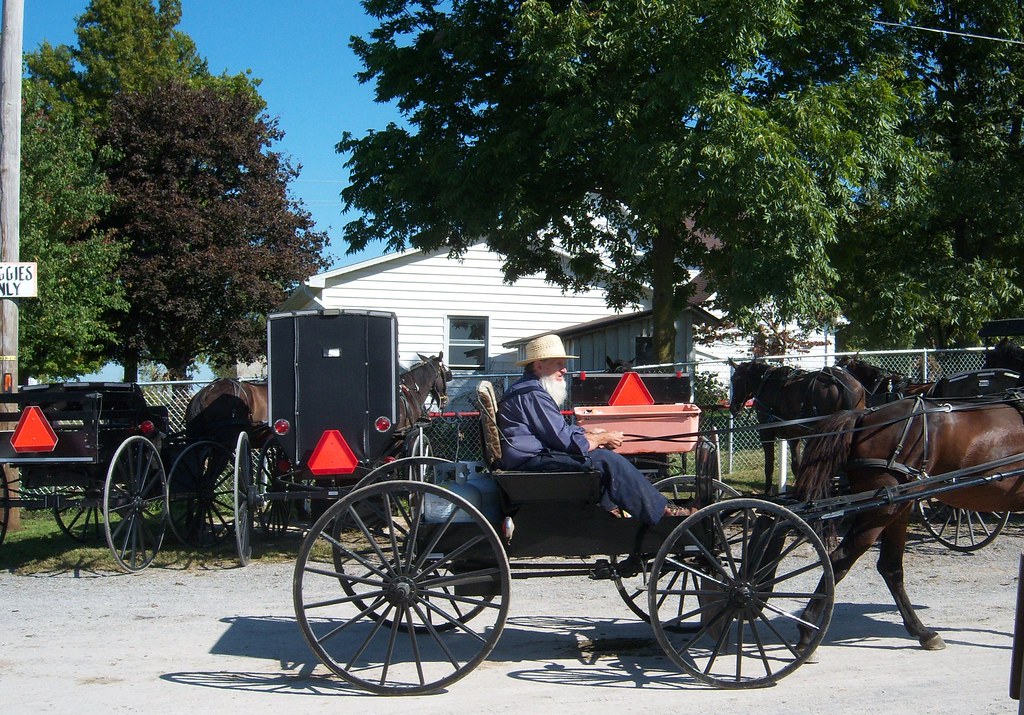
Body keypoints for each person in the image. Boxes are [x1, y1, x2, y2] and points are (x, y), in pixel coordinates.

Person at [497, 334, 694, 525]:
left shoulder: (529, 390)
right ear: (540, 365)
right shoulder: (532, 394)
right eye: (558, 363)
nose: (564, 369)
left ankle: (612, 509)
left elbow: (557, 431)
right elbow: (564, 440)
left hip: (532, 457)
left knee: (602, 456)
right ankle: (662, 513)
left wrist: (588, 434)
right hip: (530, 462)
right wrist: (599, 439)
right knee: (607, 460)